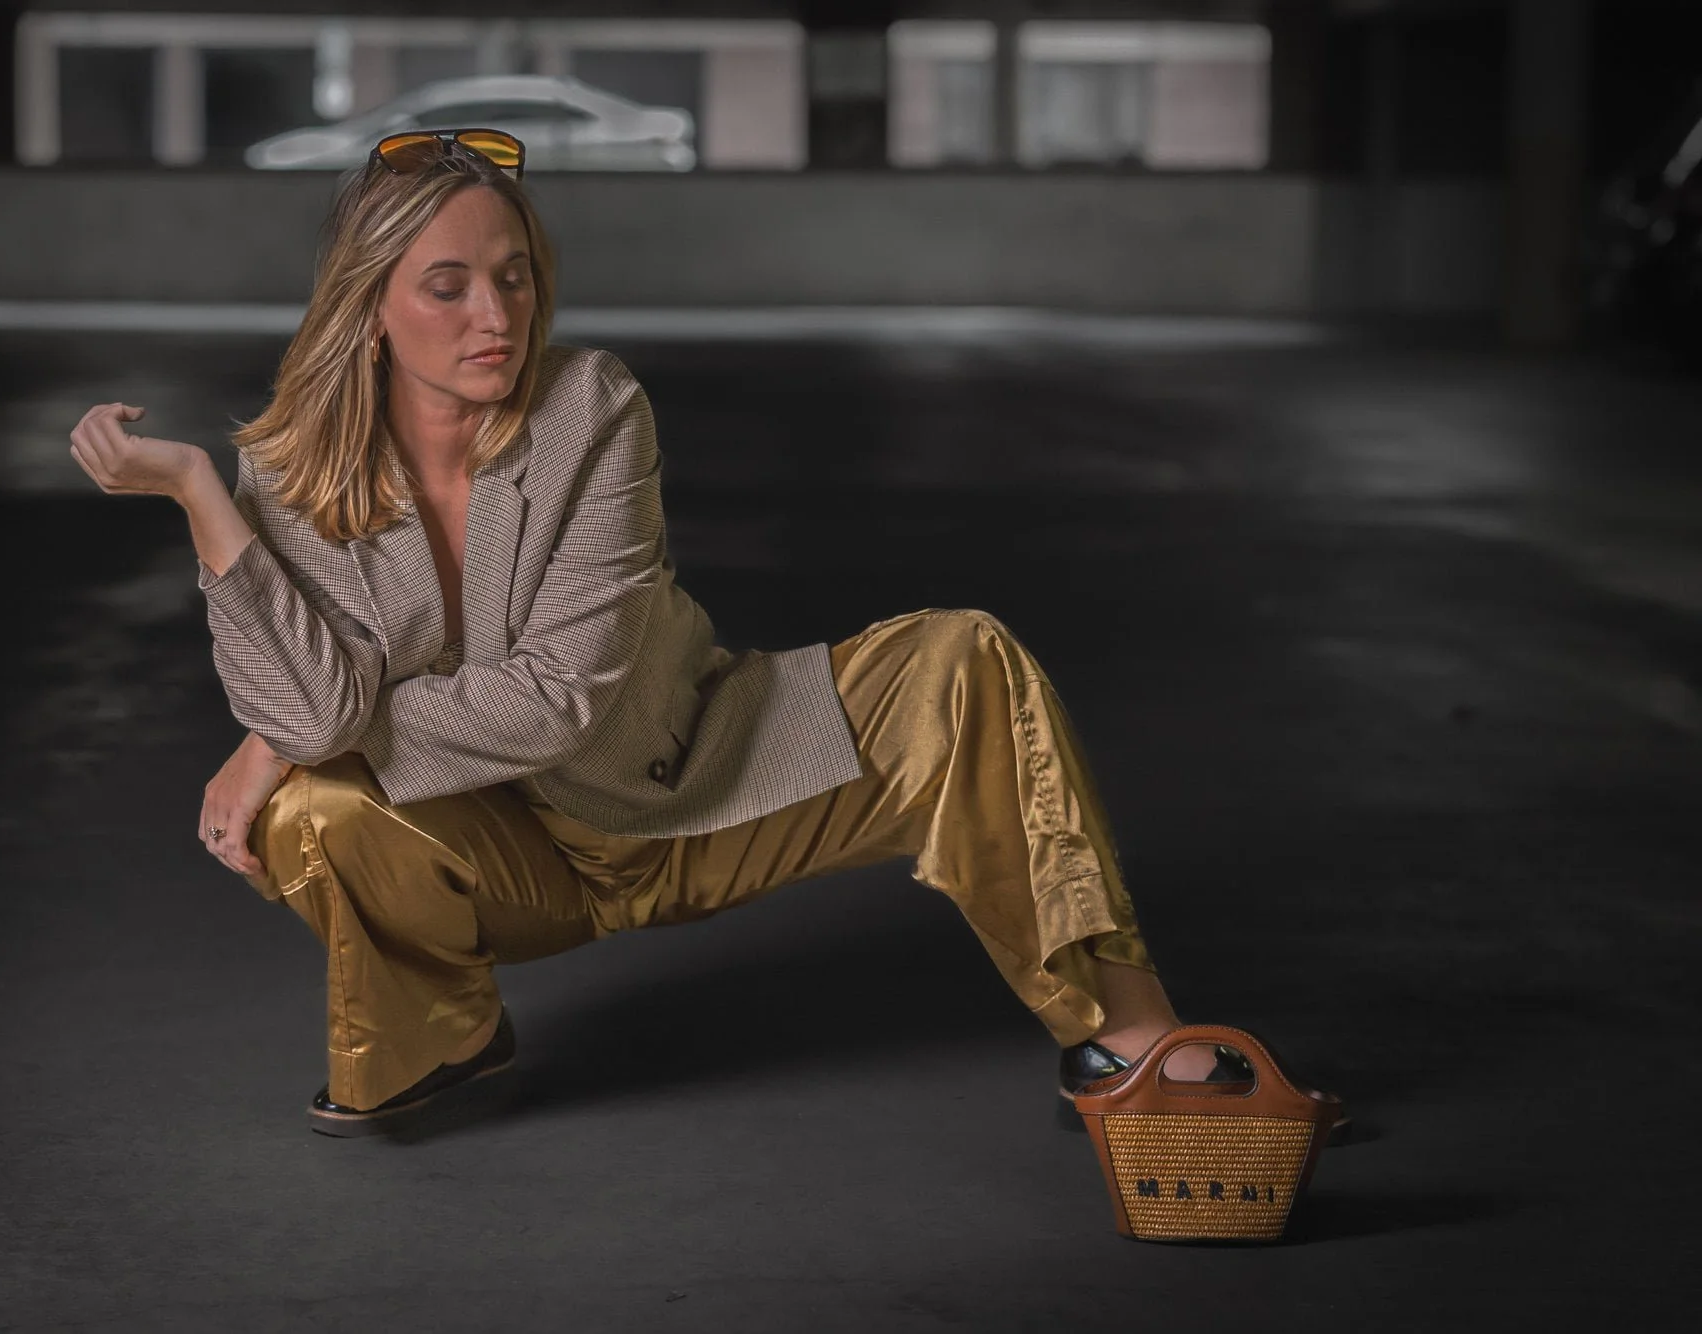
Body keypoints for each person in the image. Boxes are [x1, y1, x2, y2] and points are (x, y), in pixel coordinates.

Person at [67, 128, 1347, 1143]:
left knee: (961, 655)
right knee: (313, 817)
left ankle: (1127, 1039)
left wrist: (304, 733)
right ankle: (437, 1039)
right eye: (444, 285)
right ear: (368, 305)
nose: (492, 316)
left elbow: (558, 699)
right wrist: (201, 499)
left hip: (701, 781)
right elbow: (310, 702)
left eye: (511, 275)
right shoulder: (286, 477)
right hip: (508, 853)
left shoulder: (591, 406)